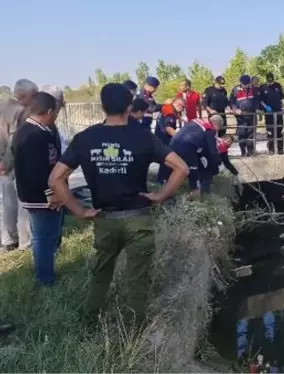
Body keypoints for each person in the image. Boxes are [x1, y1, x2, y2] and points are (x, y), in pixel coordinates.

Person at [48, 83, 189, 325]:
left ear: (103, 106)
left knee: (100, 275)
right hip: (139, 219)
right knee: (138, 280)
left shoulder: (85, 138)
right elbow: (182, 168)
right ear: (128, 106)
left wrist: (78, 210)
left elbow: (55, 179)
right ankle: (135, 331)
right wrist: (161, 195)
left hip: (104, 219)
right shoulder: (143, 137)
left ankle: (89, 324)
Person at [12, 92, 64, 286]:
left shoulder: (29, 130)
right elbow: (37, 172)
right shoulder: (35, 135)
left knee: (42, 236)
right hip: (41, 196)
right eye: (55, 112)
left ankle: (44, 272)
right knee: (44, 238)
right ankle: (46, 279)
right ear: (49, 111)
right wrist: (53, 194)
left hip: (36, 194)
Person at [0, 79, 37, 252]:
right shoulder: (20, 111)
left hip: (3, 162)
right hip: (13, 162)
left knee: (8, 203)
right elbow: (15, 140)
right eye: (33, 95)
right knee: (23, 202)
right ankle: (25, 242)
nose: (35, 99)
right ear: (23, 95)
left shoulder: (3, 108)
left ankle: (8, 239)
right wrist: (7, 163)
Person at [158, 115, 222, 199]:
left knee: (173, 168)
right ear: (217, 125)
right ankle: (195, 196)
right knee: (194, 173)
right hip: (187, 148)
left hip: (173, 143)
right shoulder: (209, 130)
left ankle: (164, 188)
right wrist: (217, 163)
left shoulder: (196, 120)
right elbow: (212, 151)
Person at [230, 75, 257, 157]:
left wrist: (257, 108)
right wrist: (235, 109)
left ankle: (250, 151)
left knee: (251, 133)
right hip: (241, 116)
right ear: (241, 83)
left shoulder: (252, 89)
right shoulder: (235, 90)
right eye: (244, 84)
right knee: (242, 133)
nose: (246, 86)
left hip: (252, 115)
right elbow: (231, 102)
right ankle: (243, 151)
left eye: (247, 84)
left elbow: (256, 100)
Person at [259, 73, 284, 155]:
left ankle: (280, 149)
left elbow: (282, 97)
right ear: (266, 79)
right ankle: (271, 149)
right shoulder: (262, 87)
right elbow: (260, 100)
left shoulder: (278, 85)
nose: (270, 83)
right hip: (269, 112)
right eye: (269, 81)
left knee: (279, 131)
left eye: (271, 81)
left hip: (278, 111)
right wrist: (266, 107)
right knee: (270, 131)